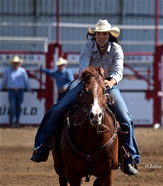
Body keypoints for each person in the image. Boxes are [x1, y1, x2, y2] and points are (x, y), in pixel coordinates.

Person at [31, 19, 140, 175]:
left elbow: (118, 70)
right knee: (58, 108)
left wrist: (111, 82)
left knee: (126, 118)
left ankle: (130, 158)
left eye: (104, 34)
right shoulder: (87, 47)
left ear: (109, 35)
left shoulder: (117, 49)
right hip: (86, 83)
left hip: (108, 84)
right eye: (99, 33)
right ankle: (42, 146)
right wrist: (91, 82)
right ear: (94, 35)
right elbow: (83, 68)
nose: (101, 36)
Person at [0, 56, 32, 127]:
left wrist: (29, 89)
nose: (15, 64)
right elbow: (4, 81)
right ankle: (12, 122)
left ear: (19, 63)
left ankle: (16, 122)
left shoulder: (22, 71)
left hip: (20, 91)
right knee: (12, 106)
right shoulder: (8, 71)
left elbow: (26, 81)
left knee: (19, 106)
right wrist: (0, 88)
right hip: (11, 91)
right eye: (14, 63)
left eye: (16, 63)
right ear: (12, 63)